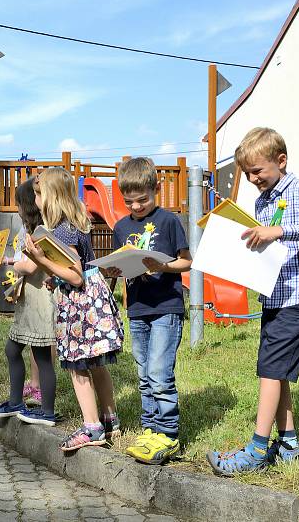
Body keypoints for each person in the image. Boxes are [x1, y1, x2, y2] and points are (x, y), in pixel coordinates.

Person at [207, 127, 299, 476]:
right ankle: (290, 442)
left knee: (269, 370)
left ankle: (256, 449)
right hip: (274, 294)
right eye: (247, 173)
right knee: (275, 370)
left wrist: (281, 230)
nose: (252, 179)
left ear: (280, 161)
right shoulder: (262, 200)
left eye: (257, 172)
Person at [24, 167, 124, 451]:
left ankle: (91, 427)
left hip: (79, 303)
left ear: (51, 196)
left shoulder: (62, 230)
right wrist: (53, 277)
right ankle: (109, 418)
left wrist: (41, 261)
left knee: (77, 365)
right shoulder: (72, 224)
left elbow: (75, 275)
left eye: (38, 193)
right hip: (90, 298)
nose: (36, 200)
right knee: (96, 363)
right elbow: (70, 269)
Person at [107, 157, 192, 464]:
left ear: (155, 190)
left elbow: (187, 261)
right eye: (130, 202)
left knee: (159, 372)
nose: (137, 207)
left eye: (142, 200)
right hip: (139, 308)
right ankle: (150, 427)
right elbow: (119, 265)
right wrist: (116, 272)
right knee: (144, 373)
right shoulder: (120, 227)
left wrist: (164, 266)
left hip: (166, 306)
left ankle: (168, 433)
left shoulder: (169, 221)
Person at [0, 177, 58, 426]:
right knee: (12, 349)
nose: (16, 209)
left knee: (41, 355)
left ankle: (47, 411)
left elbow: (29, 266)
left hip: (40, 301)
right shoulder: (30, 231)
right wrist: (9, 261)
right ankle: (16, 401)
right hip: (28, 299)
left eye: (19, 204)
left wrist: (11, 262)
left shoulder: (42, 231)